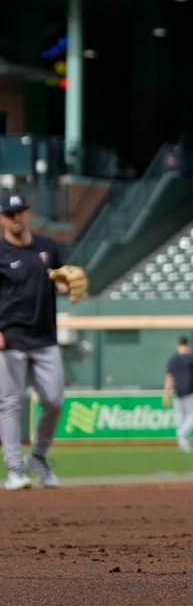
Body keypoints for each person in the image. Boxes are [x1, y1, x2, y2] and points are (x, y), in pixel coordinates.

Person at [0, 190, 76, 489]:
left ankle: (39, 456)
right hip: (11, 337)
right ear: (2, 218)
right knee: (10, 404)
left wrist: (69, 287)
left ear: (28, 213)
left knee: (54, 400)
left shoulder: (47, 247)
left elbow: (61, 285)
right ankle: (14, 469)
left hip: (45, 337)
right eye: (9, 213)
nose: (16, 218)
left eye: (20, 212)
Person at [163, 335, 193, 454]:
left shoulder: (173, 359)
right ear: (187, 345)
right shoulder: (191, 358)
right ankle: (182, 435)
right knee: (191, 416)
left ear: (178, 345)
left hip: (177, 392)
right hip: (189, 392)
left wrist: (166, 394)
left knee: (180, 417)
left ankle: (184, 442)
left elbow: (169, 378)